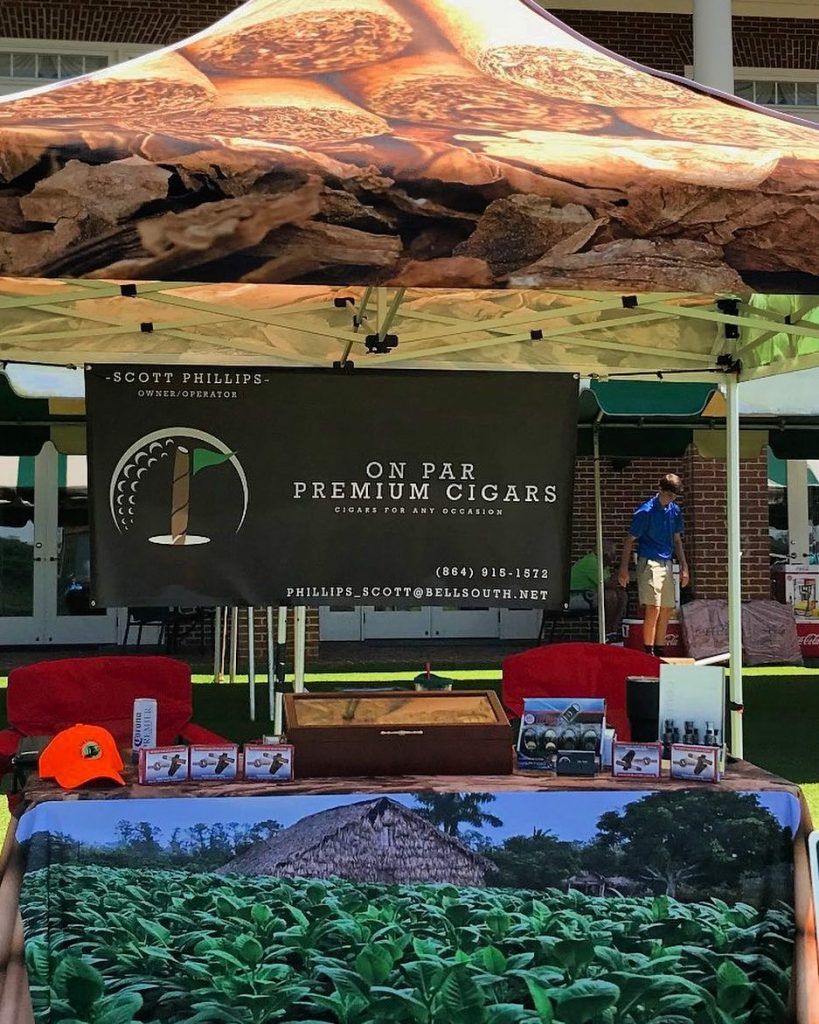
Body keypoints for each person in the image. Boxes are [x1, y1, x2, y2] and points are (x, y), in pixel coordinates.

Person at [618, 473, 689, 658]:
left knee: (667, 608)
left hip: (666, 562)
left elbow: (677, 539)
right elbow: (629, 540)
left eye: (674, 497)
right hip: (649, 561)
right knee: (653, 607)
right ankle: (648, 651)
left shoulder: (674, 510)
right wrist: (624, 569)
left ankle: (659, 650)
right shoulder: (646, 511)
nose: (671, 499)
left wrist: (684, 566)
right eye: (668, 495)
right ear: (660, 490)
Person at [570, 542, 628, 640]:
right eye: (613, 555)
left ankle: (612, 630)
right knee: (610, 596)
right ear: (605, 554)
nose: (613, 559)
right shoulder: (591, 562)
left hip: (588, 595)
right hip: (575, 596)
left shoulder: (602, 564)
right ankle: (606, 631)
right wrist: (621, 571)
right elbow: (607, 584)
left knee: (622, 595)